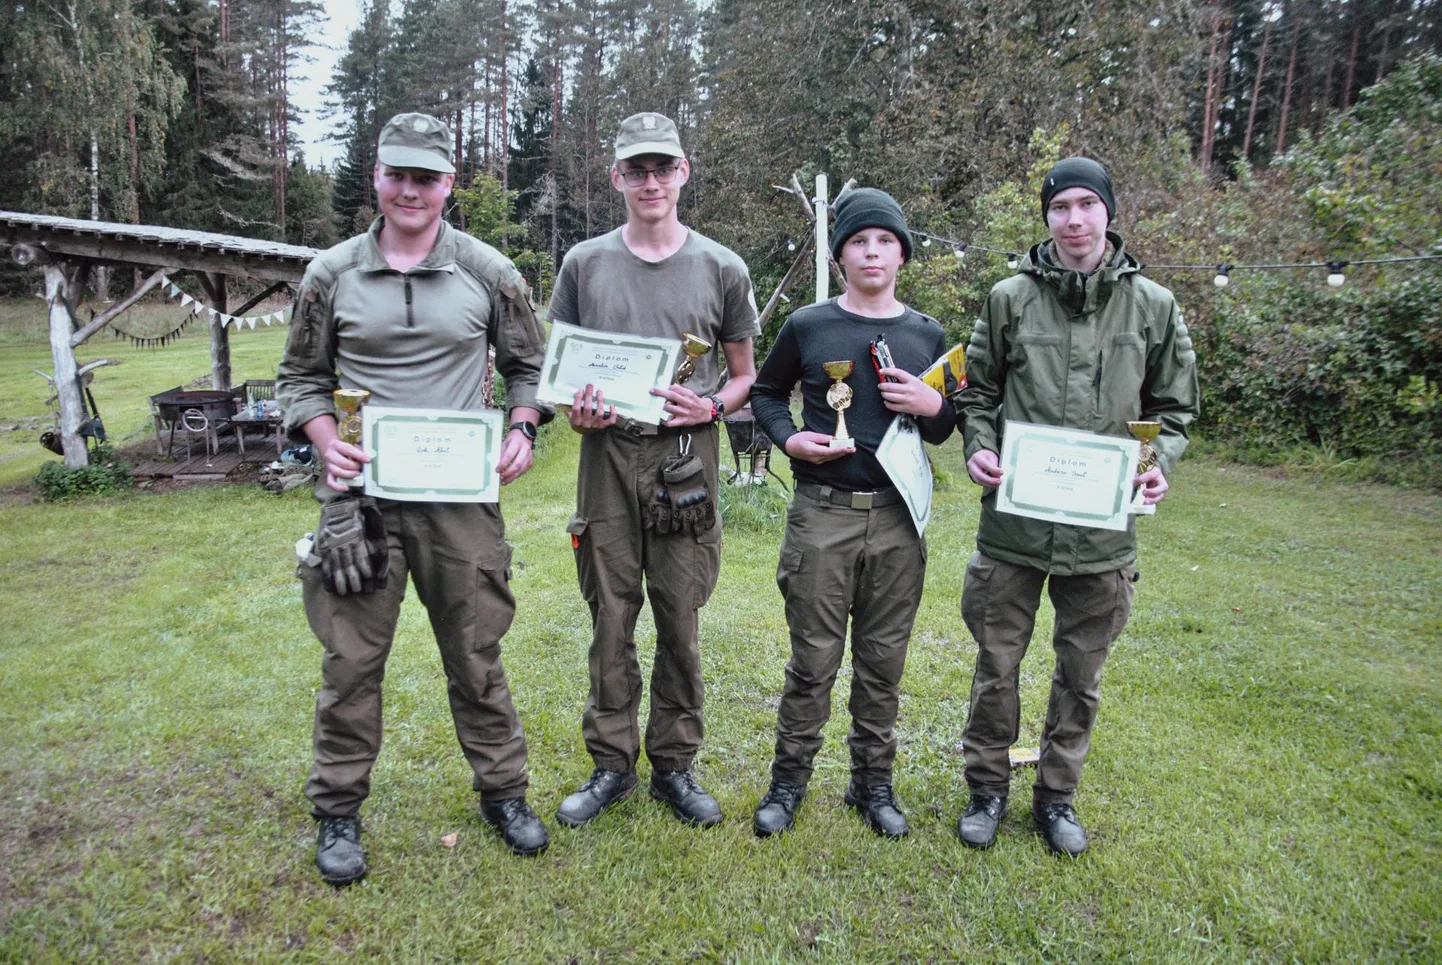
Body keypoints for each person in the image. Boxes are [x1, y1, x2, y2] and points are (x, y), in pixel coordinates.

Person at [277, 112, 552, 885]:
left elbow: (530, 366)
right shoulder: (330, 275)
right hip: (357, 501)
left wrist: (524, 428)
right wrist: (327, 441)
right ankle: (337, 809)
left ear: (448, 183)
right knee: (352, 662)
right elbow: (297, 379)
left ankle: (503, 792)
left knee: (476, 654)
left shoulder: (489, 270)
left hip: (461, 504)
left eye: (425, 177)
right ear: (376, 176)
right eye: (397, 173)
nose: (409, 189)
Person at [954, 156, 1199, 856]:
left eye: (1087, 204)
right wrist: (978, 446)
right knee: (996, 666)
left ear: (1109, 214)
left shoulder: (1153, 305)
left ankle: (1057, 797)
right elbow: (978, 392)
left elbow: (1174, 409)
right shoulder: (1009, 297)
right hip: (1016, 524)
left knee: (1081, 672)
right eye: (1060, 206)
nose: (1074, 219)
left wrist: (1157, 467)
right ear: (1047, 217)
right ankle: (987, 789)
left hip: (1101, 532)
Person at [547, 112, 760, 829]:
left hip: (683, 459)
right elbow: (562, 376)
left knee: (679, 614)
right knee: (611, 613)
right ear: (616, 177)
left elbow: (742, 379)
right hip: (605, 458)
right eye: (635, 169)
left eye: (661, 167)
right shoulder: (584, 264)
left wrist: (706, 410)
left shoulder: (721, 267)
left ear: (683, 173)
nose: (650, 181)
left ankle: (674, 763)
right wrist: (577, 413)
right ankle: (611, 763)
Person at [749, 188, 956, 839]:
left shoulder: (926, 335)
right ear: (840, 255)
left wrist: (931, 407)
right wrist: (789, 439)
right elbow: (763, 391)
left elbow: (948, 424)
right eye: (859, 241)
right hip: (823, 513)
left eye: (885, 241)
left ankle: (872, 784)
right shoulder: (810, 326)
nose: (872, 252)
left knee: (883, 660)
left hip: (897, 519)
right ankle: (788, 783)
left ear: (902, 253)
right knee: (812, 660)